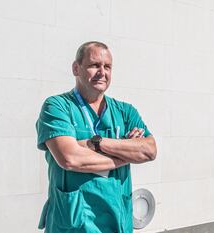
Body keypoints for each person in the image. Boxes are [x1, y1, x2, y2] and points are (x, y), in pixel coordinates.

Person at [36, 41, 157, 233]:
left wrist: (96, 143)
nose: (102, 72)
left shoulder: (125, 111)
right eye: (94, 65)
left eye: (107, 66)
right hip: (75, 222)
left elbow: (150, 150)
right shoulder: (57, 107)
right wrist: (126, 153)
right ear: (76, 68)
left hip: (118, 222)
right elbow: (70, 158)